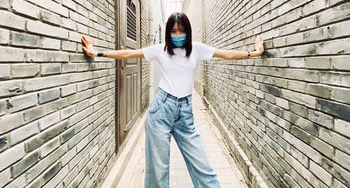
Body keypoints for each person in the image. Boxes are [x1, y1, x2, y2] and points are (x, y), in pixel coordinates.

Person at [82, 12, 264, 188]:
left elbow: (226, 54)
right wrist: (96, 53)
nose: (178, 35)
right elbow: (128, 54)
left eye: (181, 30)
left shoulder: (197, 49)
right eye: (174, 31)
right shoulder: (161, 50)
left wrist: (254, 53)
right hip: (161, 110)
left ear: (188, 31)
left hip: (185, 113)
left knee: (203, 167)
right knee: (158, 173)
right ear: (168, 32)